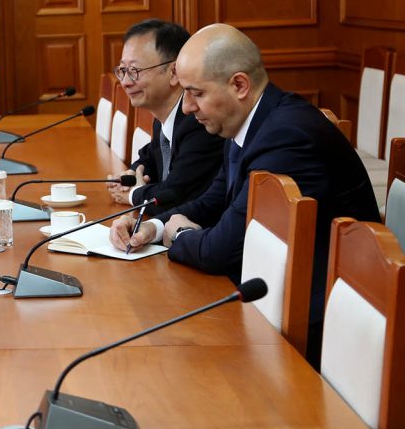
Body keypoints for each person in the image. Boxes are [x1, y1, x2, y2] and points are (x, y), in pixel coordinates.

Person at [109, 24, 380, 365]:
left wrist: (178, 235)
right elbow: (213, 200)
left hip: (324, 334)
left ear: (239, 85)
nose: (187, 107)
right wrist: (151, 226)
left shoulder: (285, 137)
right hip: (276, 297)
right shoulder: (247, 122)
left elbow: (219, 250)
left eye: (196, 93)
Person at [105, 19, 224, 214]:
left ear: (174, 72)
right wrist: (130, 176)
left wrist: (134, 195)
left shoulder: (199, 121)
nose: (125, 82)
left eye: (134, 71)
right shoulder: (164, 117)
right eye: (123, 70)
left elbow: (174, 196)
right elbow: (148, 158)